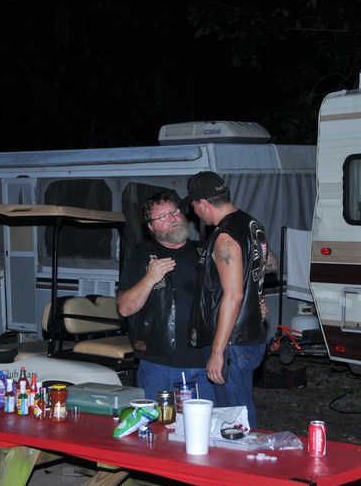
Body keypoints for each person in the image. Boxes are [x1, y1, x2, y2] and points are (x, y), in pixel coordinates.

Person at [181, 171, 277, 429]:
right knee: (238, 411)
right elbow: (271, 264)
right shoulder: (252, 224)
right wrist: (254, 299)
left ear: (203, 203)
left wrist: (217, 352)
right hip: (250, 335)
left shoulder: (225, 237)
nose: (194, 212)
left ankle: (244, 454)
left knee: (235, 421)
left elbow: (233, 296)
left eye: (193, 205)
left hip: (232, 342)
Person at [117, 192, 215, 402]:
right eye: (162, 216)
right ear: (150, 227)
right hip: (160, 363)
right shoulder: (142, 256)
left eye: (175, 212)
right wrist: (150, 278)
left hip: (206, 361)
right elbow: (125, 308)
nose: (172, 218)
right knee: (158, 421)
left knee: (208, 421)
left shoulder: (205, 251)